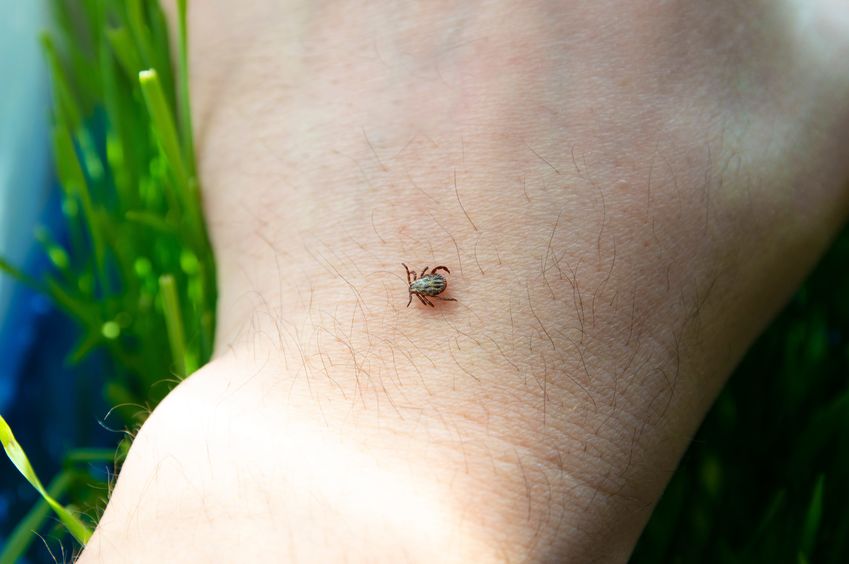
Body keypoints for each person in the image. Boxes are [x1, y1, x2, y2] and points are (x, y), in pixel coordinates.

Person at [79, 1, 849, 561]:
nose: (423, 291)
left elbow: (437, 284)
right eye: (423, 287)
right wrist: (431, 449)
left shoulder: (428, 285)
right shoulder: (430, 287)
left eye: (422, 286)